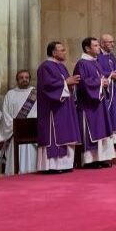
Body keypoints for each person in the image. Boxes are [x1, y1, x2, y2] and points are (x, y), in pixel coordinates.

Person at [36, 41, 81, 173]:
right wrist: (66, 82)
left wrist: (71, 84)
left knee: (65, 133)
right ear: (54, 52)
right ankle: (52, 166)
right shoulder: (45, 67)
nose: (64, 52)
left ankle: (65, 165)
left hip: (64, 107)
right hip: (52, 108)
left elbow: (66, 84)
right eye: (62, 50)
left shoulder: (61, 67)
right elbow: (47, 86)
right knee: (55, 134)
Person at [74, 37, 115, 167]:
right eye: (96, 45)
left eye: (98, 45)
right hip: (88, 105)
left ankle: (101, 158)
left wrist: (106, 82)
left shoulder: (95, 62)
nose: (99, 48)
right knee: (91, 130)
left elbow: (101, 78)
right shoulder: (82, 64)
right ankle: (90, 160)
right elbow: (83, 84)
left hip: (99, 102)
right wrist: (100, 83)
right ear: (87, 48)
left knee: (101, 129)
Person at [0, 70, 37, 174]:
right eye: (21, 78)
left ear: (29, 79)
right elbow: (5, 114)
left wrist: (28, 126)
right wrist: (16, 127)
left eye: (26, 77)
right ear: (17, 80)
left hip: (30, 135)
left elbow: (39, 112)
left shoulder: (35, 94)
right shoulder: (10, 94)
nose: (24, 79)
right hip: (14, 134)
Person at [97, 33, 116, 143]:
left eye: (113, 42)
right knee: (110, 113)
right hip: (106, 90)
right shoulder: (98, 57)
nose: (113, 44)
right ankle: (110, 140)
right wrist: (110, 74)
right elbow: (97, 72)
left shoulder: (111, 56)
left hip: (115, 88)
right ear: (102, 43)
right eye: (110, 42)